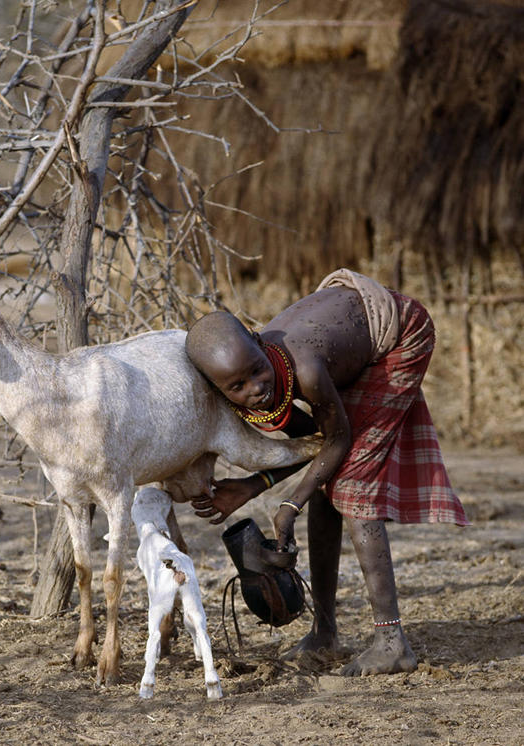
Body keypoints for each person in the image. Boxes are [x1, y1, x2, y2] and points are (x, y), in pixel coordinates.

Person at [185, 269, 468, 676]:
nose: (254, 388)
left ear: (259, 341)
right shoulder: (255, 384)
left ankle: (392, 643)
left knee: (351, 486)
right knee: (325, 487)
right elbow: (316, 446)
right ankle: (325, 632)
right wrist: (255, 486)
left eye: (255, 372)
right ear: (219, 390)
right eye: (238, 386)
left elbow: (338, 440)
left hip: (400, 333)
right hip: (351, 338)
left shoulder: (306, 370)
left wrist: (287, 505)